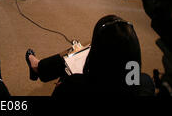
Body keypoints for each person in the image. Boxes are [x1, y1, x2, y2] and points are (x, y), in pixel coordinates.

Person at [25, 15, 155, 96]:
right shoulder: (145, 82)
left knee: (71, 58)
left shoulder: (74, 85)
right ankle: (39, 67)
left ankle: (38, 67)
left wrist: (63, 84)